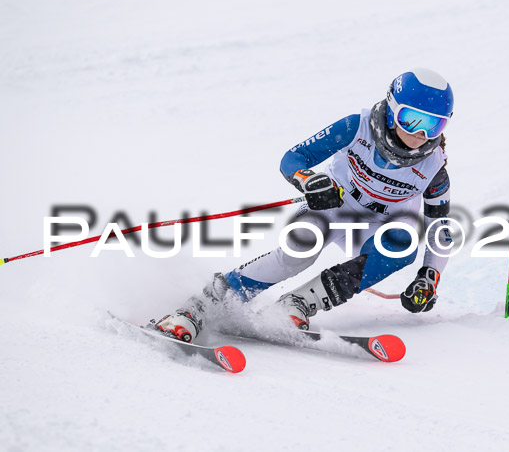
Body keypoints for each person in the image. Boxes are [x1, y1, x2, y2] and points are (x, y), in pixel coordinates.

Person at [155, 68, 454, 342]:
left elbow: (439, 229)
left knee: (402, 244)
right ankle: (201, 306)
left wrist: (430, 276)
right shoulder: (357, 127)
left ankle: (297, 304)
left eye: (434, 125)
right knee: (300, 250)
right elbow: (293, 159)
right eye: (413, 120)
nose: (421, 134)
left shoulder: (434, 169)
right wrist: (308, 180)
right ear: (391, 110)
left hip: (377, 229)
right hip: (334, 205)